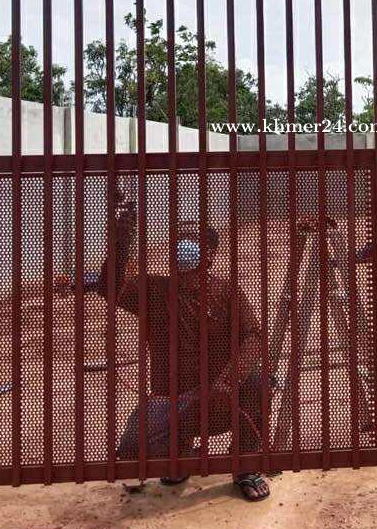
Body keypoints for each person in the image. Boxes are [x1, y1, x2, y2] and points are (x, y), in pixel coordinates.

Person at [89, 196, 271, 501]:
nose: (184, 246)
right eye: (180, 240)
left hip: (218, 396)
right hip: (173, 400)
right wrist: (122, 238)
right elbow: (108, 287)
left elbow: (253, 337)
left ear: (209, 255)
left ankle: (245, 466)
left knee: (259, 384)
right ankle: (180, 456)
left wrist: (228, 380)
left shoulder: (227, 292)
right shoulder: (154, 291)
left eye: (193, 241)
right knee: (133, 449)